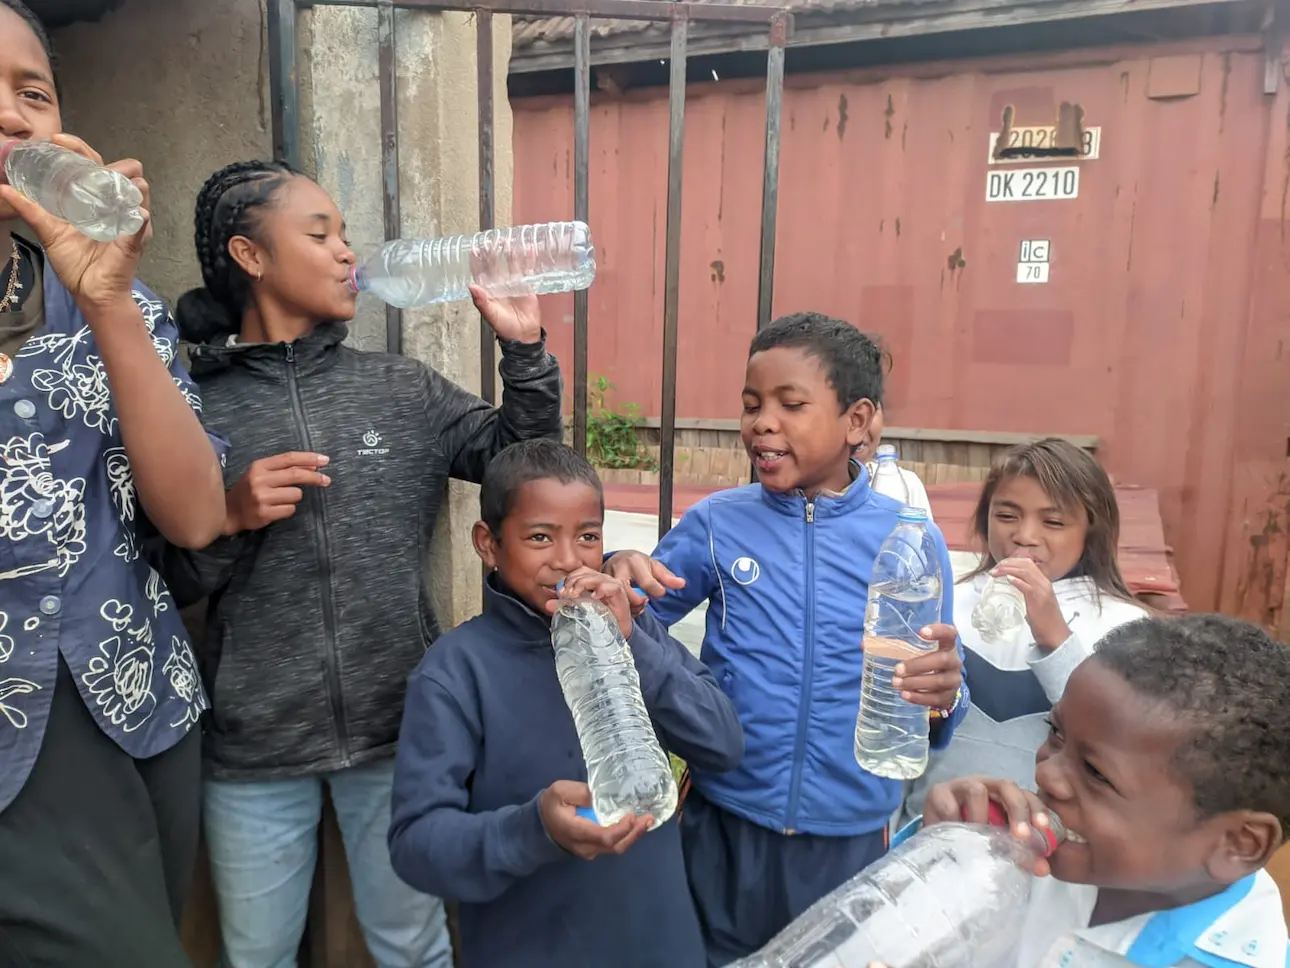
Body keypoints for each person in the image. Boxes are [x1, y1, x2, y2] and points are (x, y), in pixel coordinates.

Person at [151, 160, 563, 968]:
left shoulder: (399, 389)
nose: (347, 253)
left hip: (400, 730)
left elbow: (527, 464)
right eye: (320, 233)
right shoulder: (190, 404)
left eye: (345, 234)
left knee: (410, 945)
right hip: (253, 744)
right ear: (250, 255)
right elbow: (166, 579)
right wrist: (228, 517)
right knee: (255, 956)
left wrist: (524, 353)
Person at [606, 312, 969, 965]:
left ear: (857, 421)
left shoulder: (909, 543)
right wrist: (617, 571)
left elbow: (937, 695)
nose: (762, 422)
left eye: (790, 404)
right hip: (726, 823)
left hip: (849, 837)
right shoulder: (719, 524)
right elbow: (636, 620)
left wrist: (944, 697)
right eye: (751, 405)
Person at [0, 2, 229, 964]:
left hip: (137, 707)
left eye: (33, 92)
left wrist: (108, 310)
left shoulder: (108, 294)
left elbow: (195, 514)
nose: (14, 116)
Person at [387, 438, 743, 968]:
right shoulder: (456, 672)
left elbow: (722, 744)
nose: (567, 560)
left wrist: (636, 644)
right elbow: (416, 845)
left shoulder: (634, 632)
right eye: (538, 537)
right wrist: (534, 830)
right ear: (488, 542)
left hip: (660, 941)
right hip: (530, 946)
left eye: (587, 537)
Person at [882, 613, 1289, 967]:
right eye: (1056, 732)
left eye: (1096, 773)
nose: (1047, 776)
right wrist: (935, 861)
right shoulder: (1020, 856)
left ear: (1238, 843)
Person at [897, 437, 1146, 828]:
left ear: (1091, 530)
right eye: (1007, 516)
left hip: (1048, 860)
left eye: (1054, 522)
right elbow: (902, 733)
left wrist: (1055, 638)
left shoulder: (1125, 627)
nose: (1025, 535)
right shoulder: (946, 604)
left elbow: (1122, 744)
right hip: (930, 835)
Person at [854, 400, 932, 519]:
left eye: (870, 411)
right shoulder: (815, 491)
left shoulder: (906, 485)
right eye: (846, 411)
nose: (859, 423)